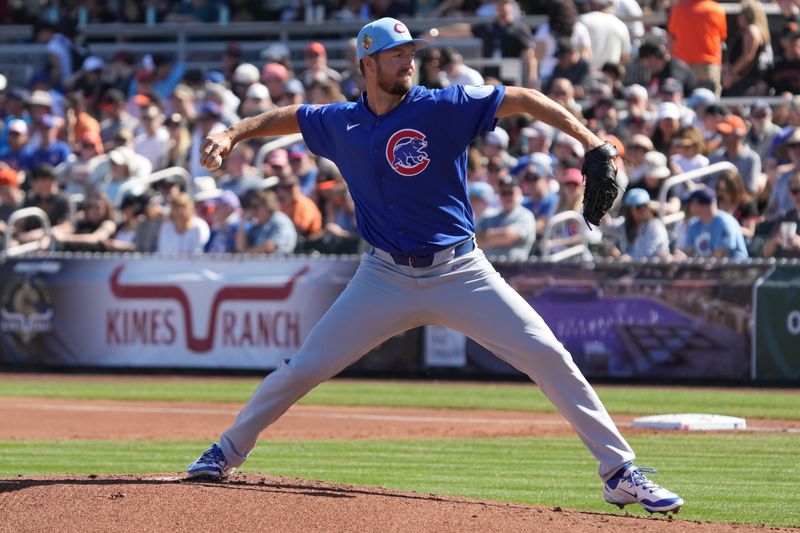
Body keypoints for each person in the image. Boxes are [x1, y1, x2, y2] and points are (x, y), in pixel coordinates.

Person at [186, 17, 684, 515]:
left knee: (549, 356)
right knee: (302, 368)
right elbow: (293, 115)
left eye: (411, 51)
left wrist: (591, 141)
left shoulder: (443, 105)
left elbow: (524, 98)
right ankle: (227, 451)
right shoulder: (341, 121)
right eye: (397, 53)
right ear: (367, 63)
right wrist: (233, 132)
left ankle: (620, 472)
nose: (409, 60)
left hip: (461, 272)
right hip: (382, 277)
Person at [666, 0, 727, 97]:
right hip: (709, 65)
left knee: (684, 102)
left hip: (683, 65)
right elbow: (722, 37)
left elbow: (671, 37)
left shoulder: (678, 9)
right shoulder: (717, 9)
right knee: (712, 105)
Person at [677, 186, 749, 260]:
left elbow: (719, 256)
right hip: (707, 269)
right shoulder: (694, 224)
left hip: (734, 269)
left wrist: (695, 261)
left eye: (691, 204)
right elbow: (687, 251)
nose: (688, 207)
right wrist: (678, 256)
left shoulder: (725, 223)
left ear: (703, 206)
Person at [476, 175, 535, 260]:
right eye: (504, 193)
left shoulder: (525, 215)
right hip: (488, 268)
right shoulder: (489, 216)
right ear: (499, 195)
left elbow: (507, 236)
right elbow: (475, 241)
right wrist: (499, 235)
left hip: (515, 269)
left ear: (519, 193)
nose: (508, 197)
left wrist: (485, 237)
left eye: (511, 192)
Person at [607, 188, 670, 260]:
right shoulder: (626, 225)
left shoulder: (656, 227)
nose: (643, 209)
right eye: (638, 207)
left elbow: (650, 254)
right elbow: (607, 226)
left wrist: (626, 258)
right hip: (633, 269)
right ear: (630, 209)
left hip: (653, 269)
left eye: (645, 205)